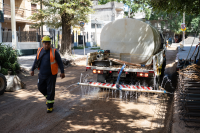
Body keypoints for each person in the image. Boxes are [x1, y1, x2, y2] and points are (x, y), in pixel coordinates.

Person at [31, 36, 65, 113]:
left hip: (51, 75)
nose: (47, 45)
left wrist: (62, 72)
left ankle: (50, 106)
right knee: (40, 87)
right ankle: (49, 98)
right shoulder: (40, 51)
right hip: (42, 74)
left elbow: (60, 62)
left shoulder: (54, 52)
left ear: (50, 44)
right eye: (45, 44)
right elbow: (36, 61)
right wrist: (32, 69)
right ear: (42, 43)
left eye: (48, 44)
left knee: (50, 90)